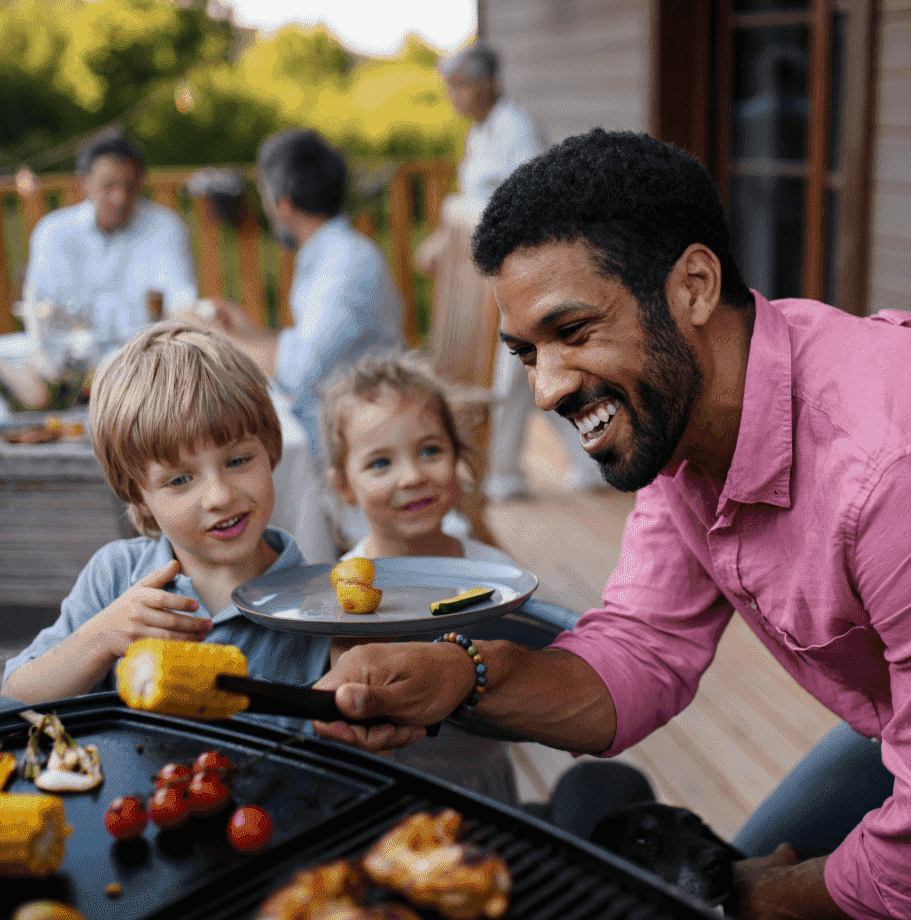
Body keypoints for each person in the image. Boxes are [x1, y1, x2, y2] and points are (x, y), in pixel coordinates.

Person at [310, 129, 911, 920]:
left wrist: (765, 901)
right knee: (715, 889)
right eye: (526, 352)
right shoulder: (681, 426)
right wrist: (459, 677)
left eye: (575, 332)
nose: (549, 387)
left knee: (761, 898)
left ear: (690, 286)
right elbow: (635, 658)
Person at [1, 319, 328, 713]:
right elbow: (11, 701)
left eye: (238, 460)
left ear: (271, 449)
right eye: (180, 480)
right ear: (138, 495)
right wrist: (101, 639)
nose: (219, 496)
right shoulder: (117, 577)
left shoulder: (319, 604)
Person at [316, 349, 518, 803]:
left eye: (430, 451)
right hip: (385, 791)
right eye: (380, 463)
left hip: (481, 782)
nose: (411, 476)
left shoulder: (496, 573)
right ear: (344, 486)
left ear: (457, 456)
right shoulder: (342, 590)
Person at [427, 43, 604, 501]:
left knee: (515, 369)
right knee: (528, 373)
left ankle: (503, 473)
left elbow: (521, 202)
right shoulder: (478, 135)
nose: (454, 96)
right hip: (497, 272)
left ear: (486, 83)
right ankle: (584, 463)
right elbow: (469, 208)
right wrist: (443, 237)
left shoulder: (515, 129)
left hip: (532, 268)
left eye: (460, 85)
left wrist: (454, 213)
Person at [229, 129, 405, 457]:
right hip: (351, 415)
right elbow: (315, 352)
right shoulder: (331, 251)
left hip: (361, 435)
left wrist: (219, 339)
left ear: (283, 205)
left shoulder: (344, 261)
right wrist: (242, 330)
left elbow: (301, 370)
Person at [22, 130, 198, 351]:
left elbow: (182, 304)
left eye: (130, 186)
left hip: (146, 360)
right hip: (73, 364)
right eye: (109, 186)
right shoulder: (54, 232)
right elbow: (39, 310)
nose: (120, 197)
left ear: (141, 182)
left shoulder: (166, 227)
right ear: (83, 184)